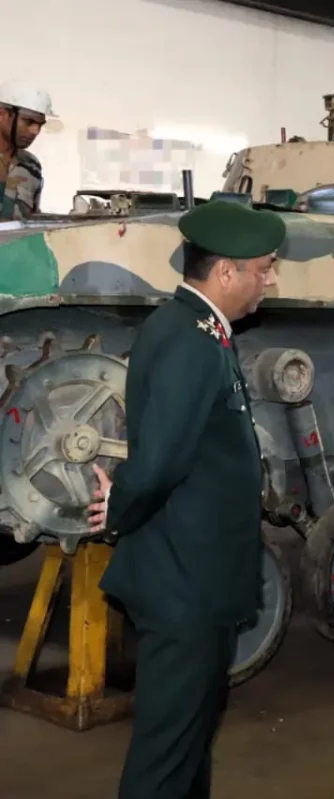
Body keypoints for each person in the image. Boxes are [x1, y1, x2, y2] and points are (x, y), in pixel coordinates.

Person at [86, 199, 285, 798]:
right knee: (166, 756)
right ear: (226, 271)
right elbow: (160, 459)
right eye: (265, 268)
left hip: (197, 577)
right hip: (184, 584)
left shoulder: (196, 330)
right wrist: (119, 509)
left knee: (191, 742)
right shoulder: (192, 342)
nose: (271, 280)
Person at [0, 80, 53, 220]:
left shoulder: (31, 165)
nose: (35, 131)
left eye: (40, 124)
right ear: (2, 115)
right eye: (28, 121)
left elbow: (31, 218)